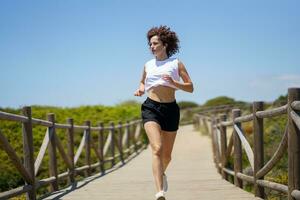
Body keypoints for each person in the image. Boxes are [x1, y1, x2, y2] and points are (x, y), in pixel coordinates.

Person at [134, 25, 194, 200]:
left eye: (155, 43)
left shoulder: (176, 63)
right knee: (157, 148)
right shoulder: (147, 65)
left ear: (165, 44)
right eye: (150, 44)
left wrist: (174, 83)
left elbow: (190, 88)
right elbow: (142, 83)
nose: (151, 47)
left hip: (171, 109)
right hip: (150, 108)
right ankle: (160, 192)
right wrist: (140, 89)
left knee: (167, 156)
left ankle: (162, 174)